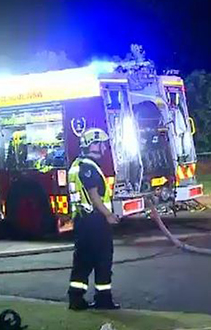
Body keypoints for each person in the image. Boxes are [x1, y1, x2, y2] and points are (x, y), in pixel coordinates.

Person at [67, 128, 120, 311]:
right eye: (101, 144)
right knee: (102, 260)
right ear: (92, 145)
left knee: (82, 261)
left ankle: (76, 299)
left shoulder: (78, 165)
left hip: (83, 222)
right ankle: (103, 300)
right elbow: (94, 195)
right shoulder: (89, 168)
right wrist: (108, 215)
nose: (104, 147)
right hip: (95, 222)